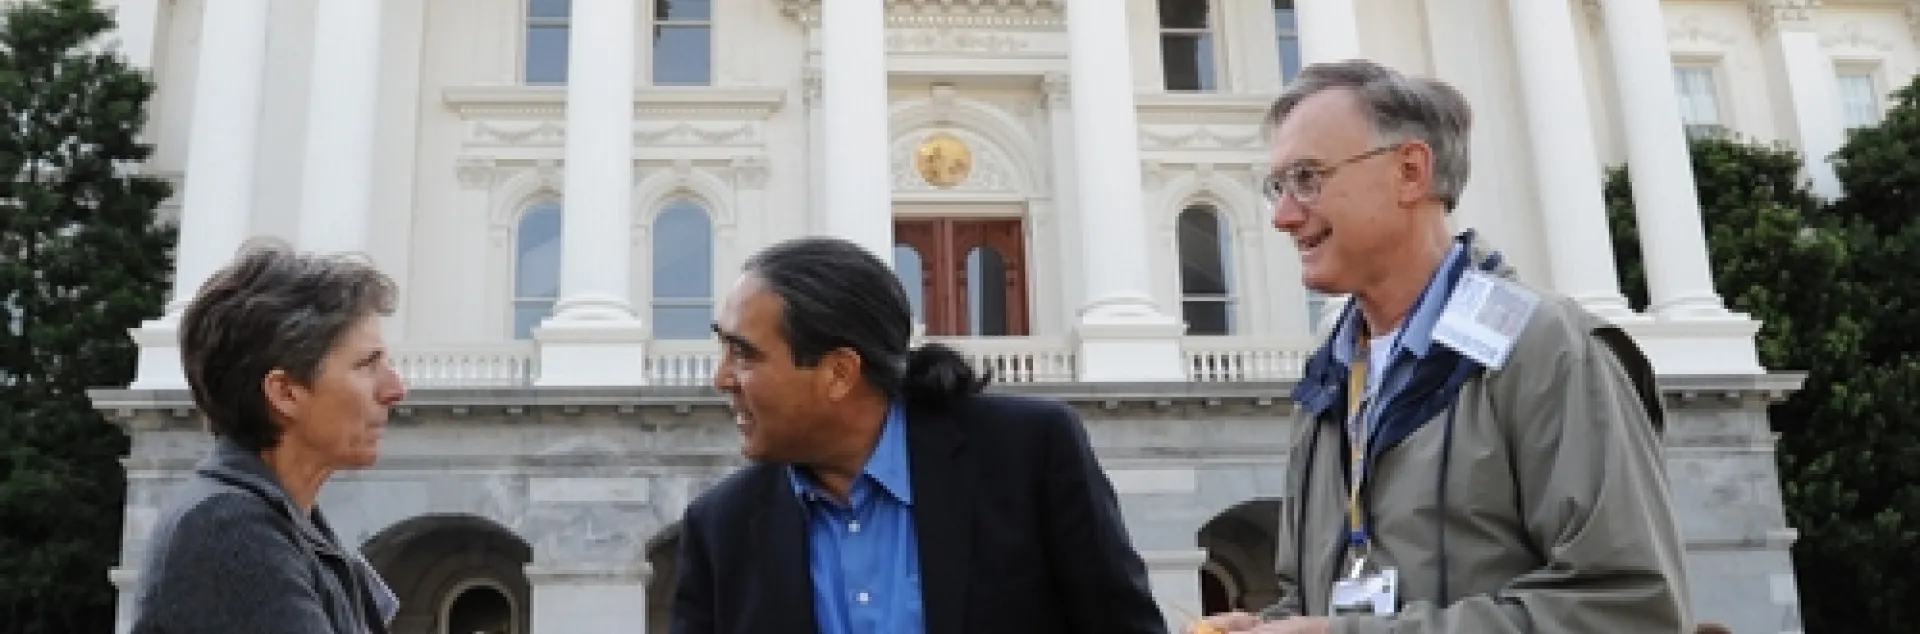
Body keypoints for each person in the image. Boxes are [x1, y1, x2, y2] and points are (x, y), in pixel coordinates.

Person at [1191, 60, 1690, 633]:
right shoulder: (1328, 378)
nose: (1282, 216)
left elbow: (1629, 611)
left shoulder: (1549, 350)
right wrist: (1267, 627)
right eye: (1277, 186)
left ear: (1410, 172)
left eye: (1307, 178)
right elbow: (1322, 604)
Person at [670, 236, 1169, 634]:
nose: (722, 379)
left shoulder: (1029, 455)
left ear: (839, 373)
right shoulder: (720, 528)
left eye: (744, 355)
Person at [129, 240, 407, 634]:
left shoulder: (289, 525)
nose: (396, 389)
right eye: (367, 365)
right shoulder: (227, 529)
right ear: (285, 393)